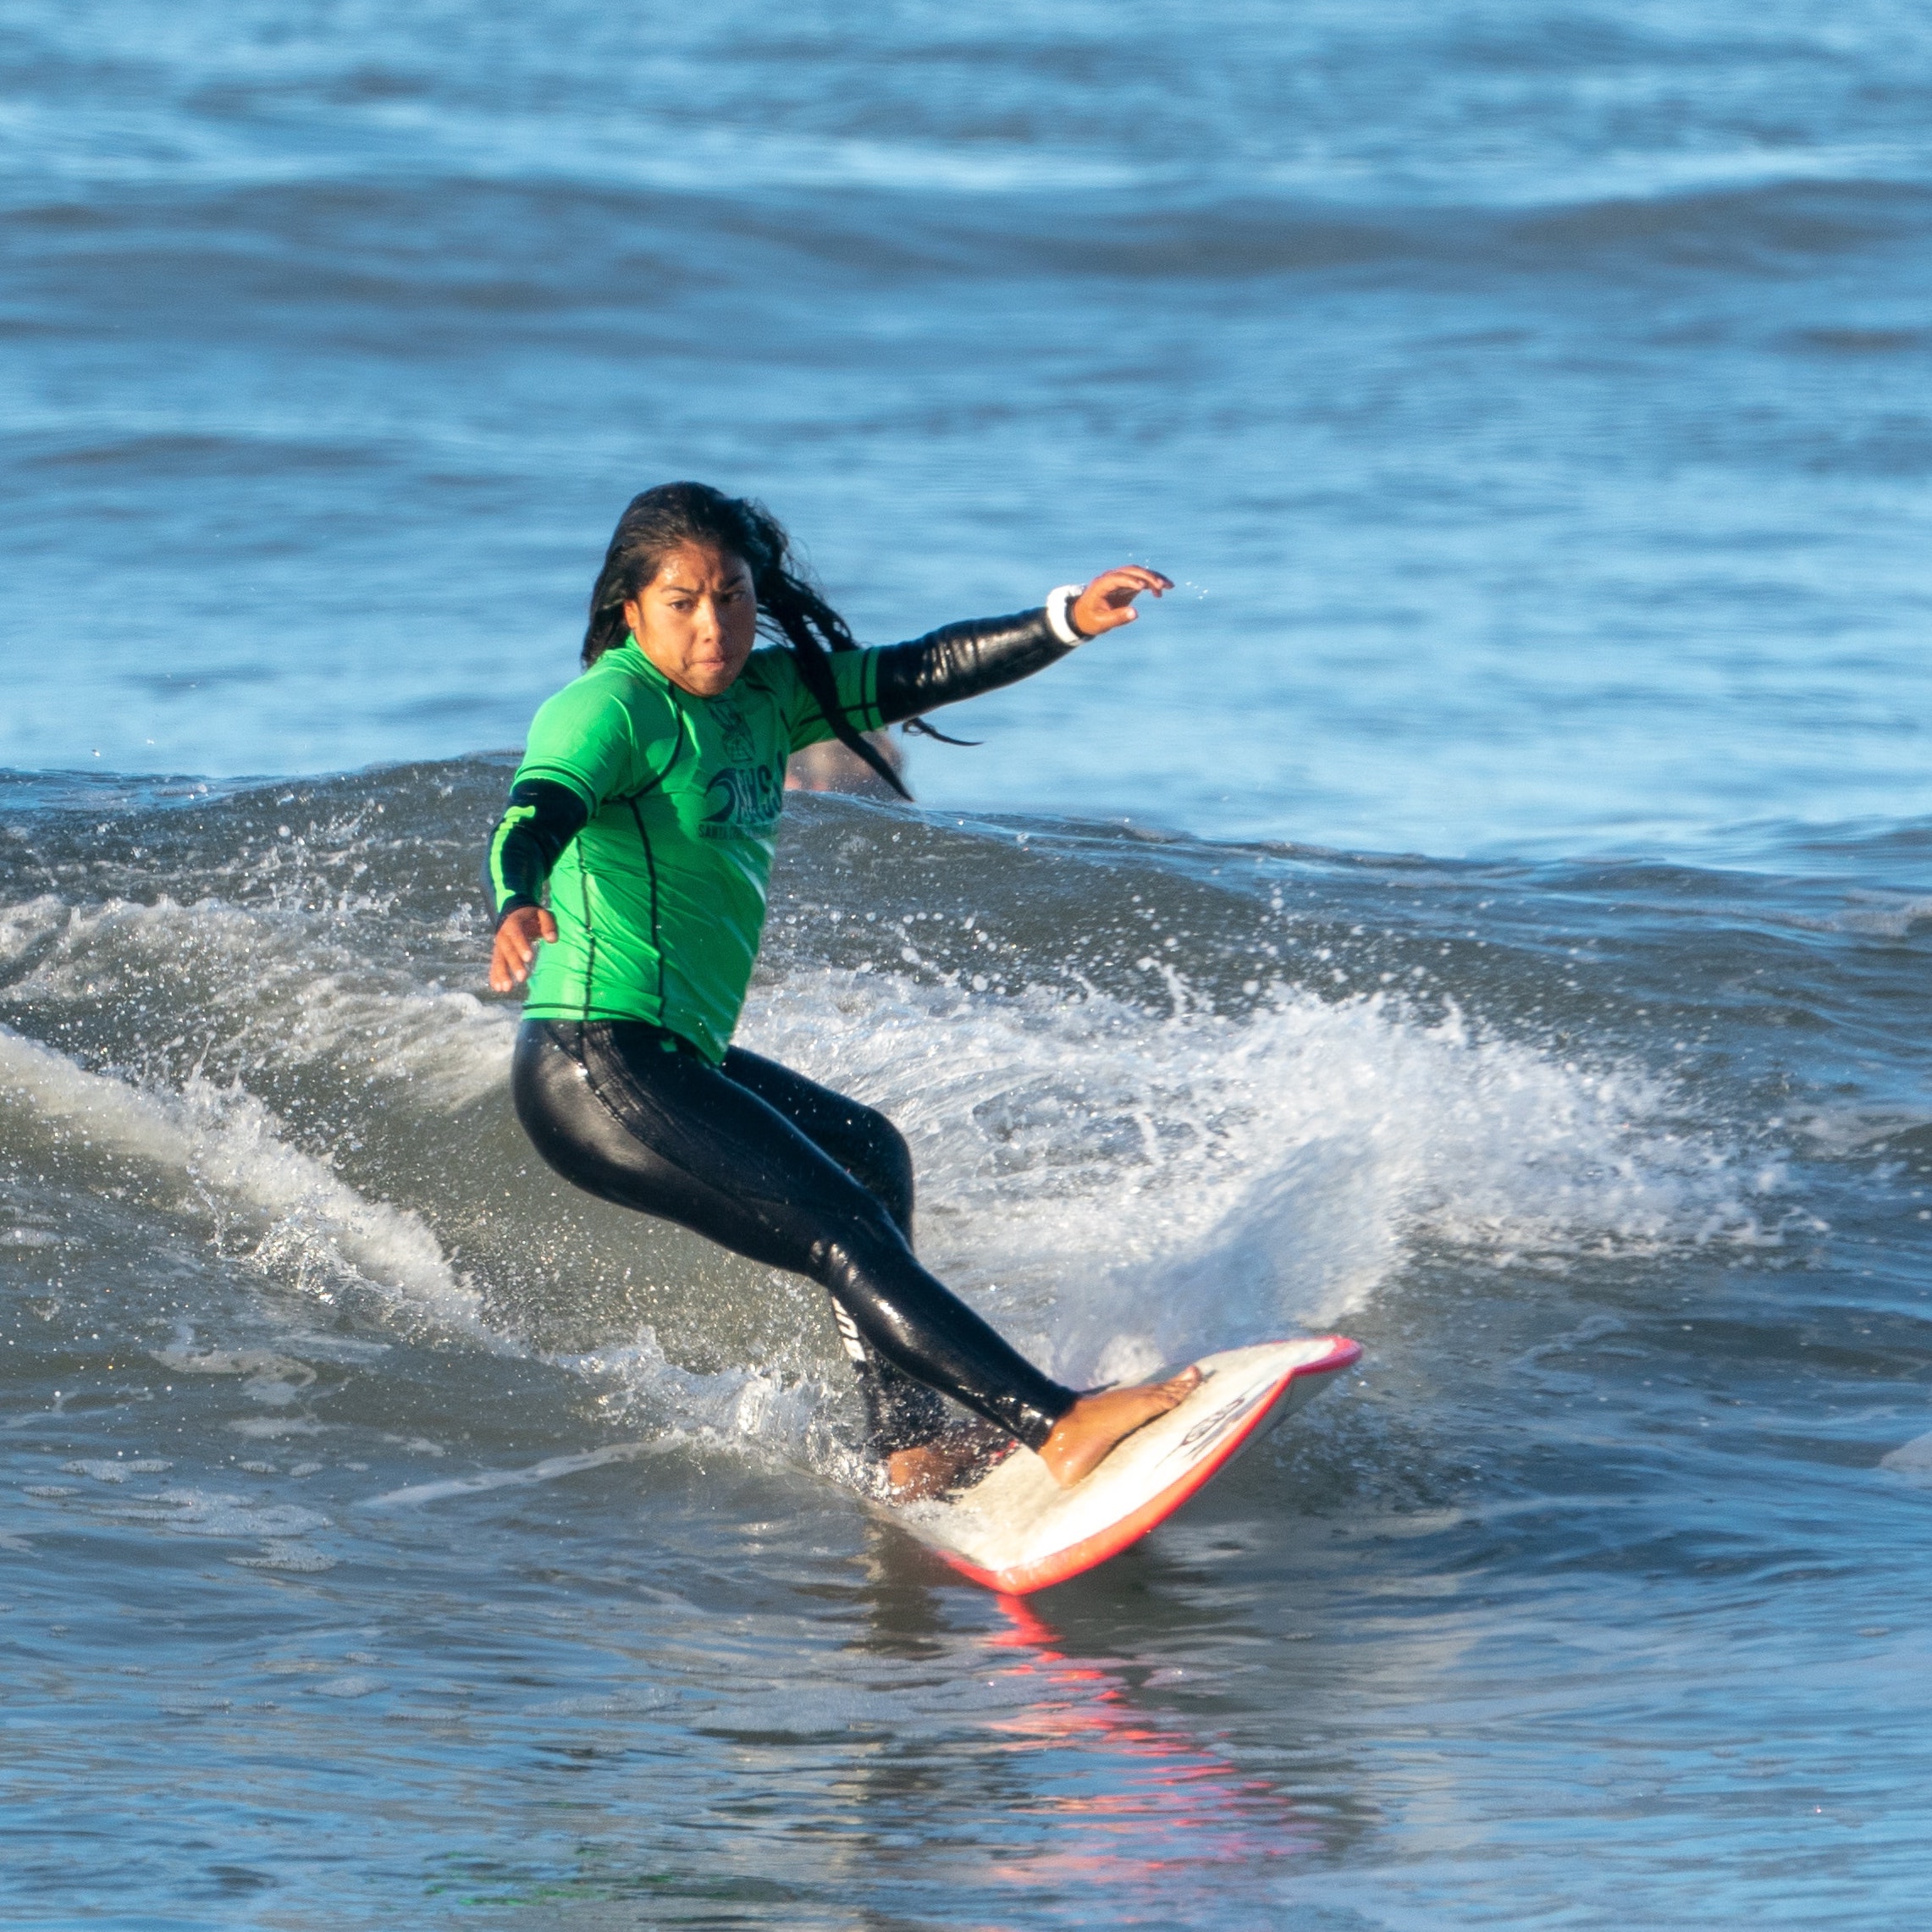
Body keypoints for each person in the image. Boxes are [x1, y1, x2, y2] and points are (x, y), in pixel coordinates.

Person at [486, 482, 1196, 1496]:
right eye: (681, 601)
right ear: (630, 608)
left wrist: (1064, 622)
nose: (711, 624)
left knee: (869, 1156)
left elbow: (919, 668)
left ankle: (907, 1445)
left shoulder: (766, 696)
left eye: (729, 594)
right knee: (837, 1227)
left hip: (669, 1051)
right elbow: (535, 809)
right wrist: (515, 898)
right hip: (593, 1060)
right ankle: (1058, 1422)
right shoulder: (609, 706)